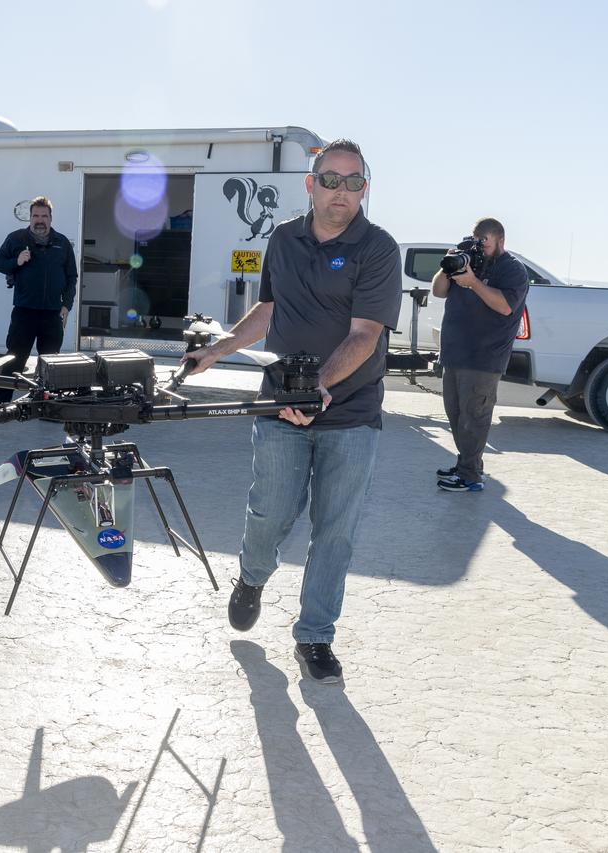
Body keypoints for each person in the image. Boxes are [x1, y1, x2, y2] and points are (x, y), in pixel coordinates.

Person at [181, 139, 402, 684]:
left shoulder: (377, 248)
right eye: (331, 180)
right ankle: (253, 576)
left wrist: (318, 388)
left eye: (354, 183)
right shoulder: (282, 239)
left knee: (336, 530)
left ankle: (315, 636)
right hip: (280, 406)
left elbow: (365, 335)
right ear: (310, 183)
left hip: (350, 414)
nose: (341, 193)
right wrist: (218, 348)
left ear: (364, 189)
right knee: (271, 513)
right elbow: (269, 308)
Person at [430, 218, 530, 492]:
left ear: (500, 240)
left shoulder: (512, 270)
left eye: (485, 241)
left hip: (484, 357)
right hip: (455, 353)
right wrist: (447, 266)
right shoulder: (469, 263)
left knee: (474, 417)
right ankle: (468, 464)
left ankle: (469, 476)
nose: (480, 246)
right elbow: (438, 291)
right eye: (477, 240)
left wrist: (473, 282)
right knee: (457, 416)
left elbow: (505, 306)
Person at [0, 196, 78, 408]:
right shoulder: (16, 239)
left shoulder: (62, 243)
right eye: (35, 216)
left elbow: (71, 277)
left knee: (50, 364)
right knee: (13, 360)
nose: (40, 220)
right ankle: (0, 404)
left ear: (51, 218)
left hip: (52, 314)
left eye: (44, 216)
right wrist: (16, 261)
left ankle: (46, 406)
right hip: (24, 312)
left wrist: (66, 305)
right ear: (29, 218)